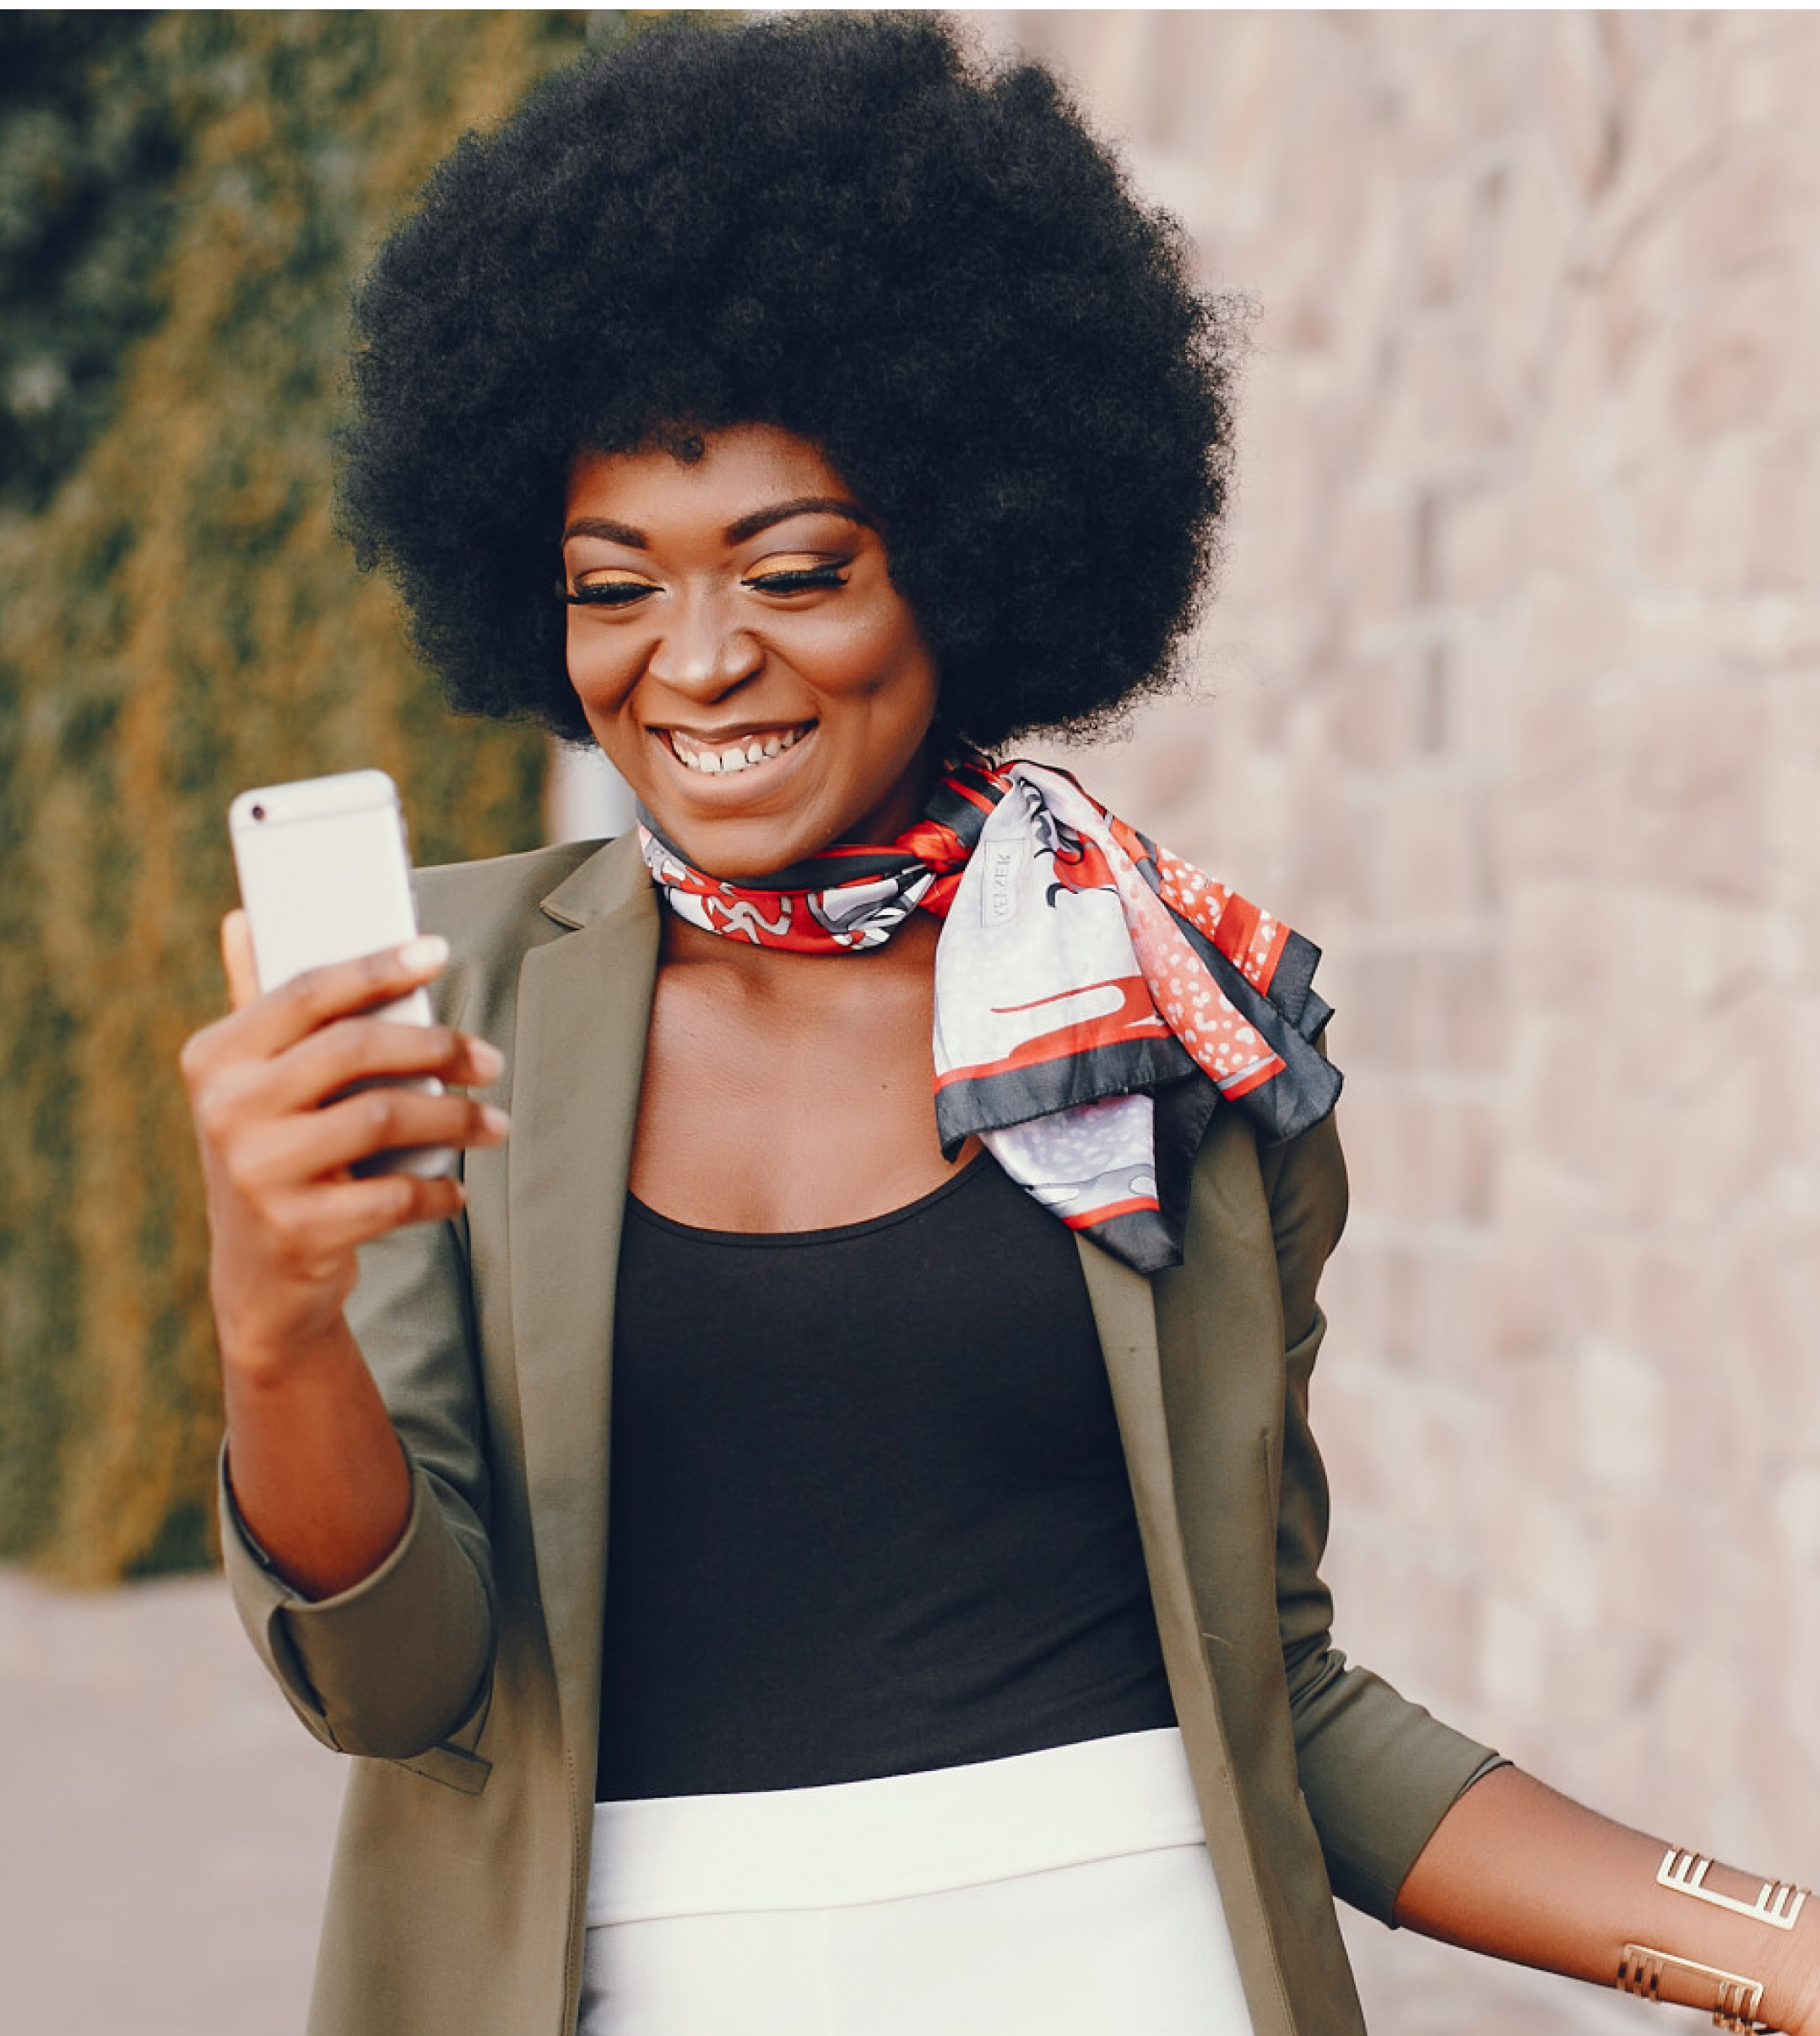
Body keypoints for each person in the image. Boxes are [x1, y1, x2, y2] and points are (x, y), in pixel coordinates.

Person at [179, 16, 1818, 2036]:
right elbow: (396, 1681)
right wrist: (277, 1315)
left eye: (796, 571)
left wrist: (1766, 1942)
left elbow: (1272, 1696)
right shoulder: (448, 1011)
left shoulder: (1180, 1033)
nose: (696, 664)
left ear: (964, 553)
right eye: (614, 588)